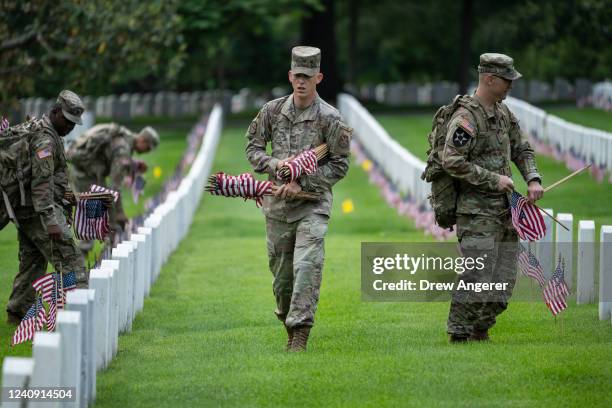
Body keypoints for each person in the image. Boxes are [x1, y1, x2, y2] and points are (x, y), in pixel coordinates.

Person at [245, 46, 352, 352]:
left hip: (312, 205)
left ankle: (300, 333)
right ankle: (288, 322)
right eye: (297, 76)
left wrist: (302, 180)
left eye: (308, 76)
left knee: (307, 266)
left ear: (318, 77)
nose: (302, 82)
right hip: (277, 207)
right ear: (290, 76)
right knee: (282, 280)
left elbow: (339, 165)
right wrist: (276, 166)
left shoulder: (330, 118)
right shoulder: (272, 111)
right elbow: (253, 148)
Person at [441, 53, 544, 342]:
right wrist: (494, 179)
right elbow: (451, 160)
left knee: (504, 280)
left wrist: (533, 178)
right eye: (506, 79)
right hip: (476, 213)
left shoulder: (503, 114)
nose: (511, 85)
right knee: (477, 273)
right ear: (489, 79)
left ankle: (480, 328)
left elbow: (522, 149)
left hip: (504, 211)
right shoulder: (466, 118)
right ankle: (458, 334)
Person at [7, 90, 88, 324]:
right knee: (72, 260)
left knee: (33, 263)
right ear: (55, 112)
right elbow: (41, 186)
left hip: (29, 211)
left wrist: (66, 194)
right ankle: (81, 316)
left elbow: (50, 178)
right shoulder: (45, 138)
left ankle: (18, 311)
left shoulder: (50, 134)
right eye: (68, 121)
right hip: (41, 213)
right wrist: (51, 220)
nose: (71, 127)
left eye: (74, 123)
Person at [67, 123, 159, 251]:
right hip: (85, 174)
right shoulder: (124, 148)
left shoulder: (126, 137)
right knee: (97, 212)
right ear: (142, 140)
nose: (146, 152)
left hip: (91, 171)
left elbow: (112, 157)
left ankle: (109, 246)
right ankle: (84, 253)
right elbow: (114, 187)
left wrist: (134, 165)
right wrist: (120, 213)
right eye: (147, 148)